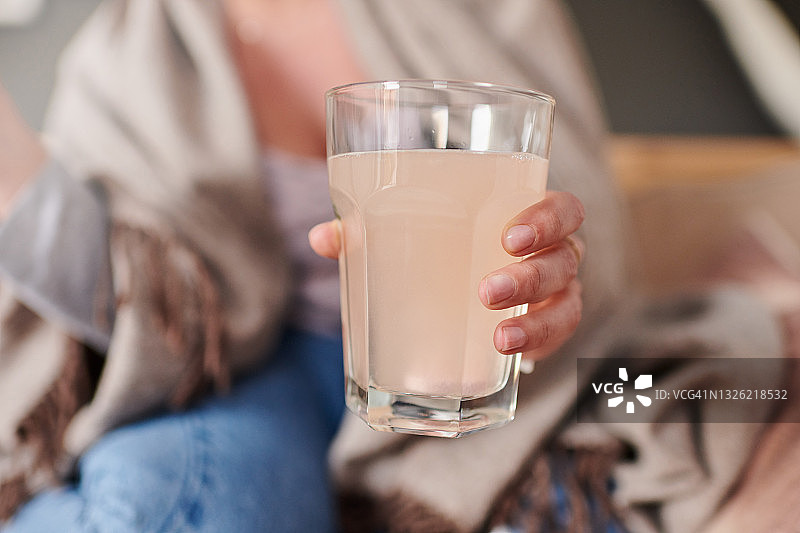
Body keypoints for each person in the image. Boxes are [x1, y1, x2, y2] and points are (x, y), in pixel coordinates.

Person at [0, 0, 785, 532]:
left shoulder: (491, 9)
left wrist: (544, 280)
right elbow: (135, 298)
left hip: (445, 362)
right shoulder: (123, 54)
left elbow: (576, 219)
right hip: (237, 372)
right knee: (173, 500)